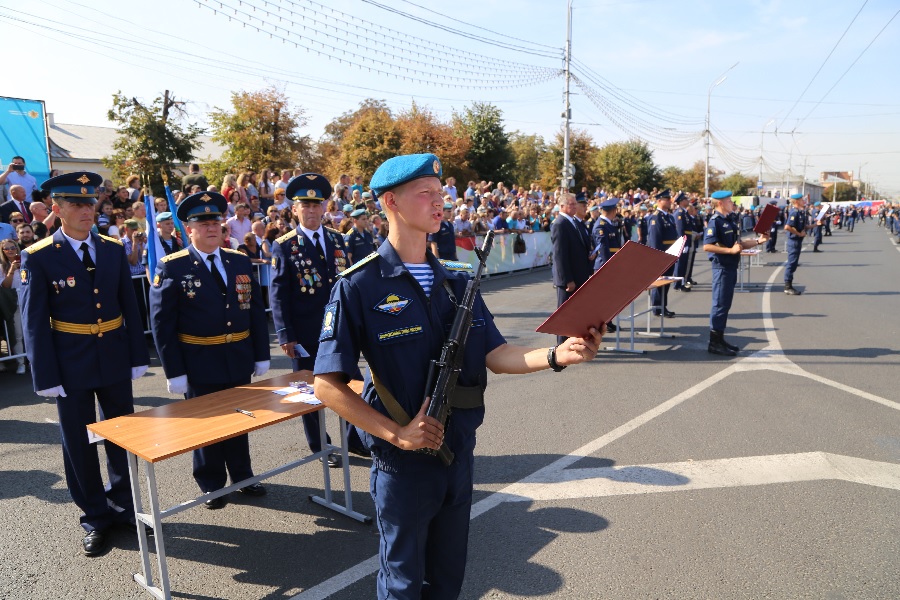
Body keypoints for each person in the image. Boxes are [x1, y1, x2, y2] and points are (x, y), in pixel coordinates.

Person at [313, 153, 603, 600]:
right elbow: (327, 385)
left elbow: (497, 353)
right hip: (403, 465)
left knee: (448, 580)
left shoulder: (458, 280)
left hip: (459, 454)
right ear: (391, 202)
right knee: (403, 585)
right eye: (425, 193)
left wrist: (557, 354)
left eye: (440, 192)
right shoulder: (360, 285)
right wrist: (397, 433)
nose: (439, 201)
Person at [18, 171, 150, 555]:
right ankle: (94, 515)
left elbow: (130, 304)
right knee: (78, 442)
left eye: (89, 202)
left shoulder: (110, 248)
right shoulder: (38, 256)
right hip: (68, 360)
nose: (85, 209)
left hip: (112, 354)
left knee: (122, 436)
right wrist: (44, 373)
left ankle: (125, 505)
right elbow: (33, 320)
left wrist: (137, 355)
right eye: (75, 203)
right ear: (56, 210)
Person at [149, 191, 270, 509]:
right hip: (199, 359)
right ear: (188, 229)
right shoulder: (172, 267)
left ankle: (243, 477)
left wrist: (261, 353)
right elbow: (163, 324)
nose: (211, 227)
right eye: (202, 223)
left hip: (238, 357)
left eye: (215, 221)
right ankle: (211, 484)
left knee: (240, 419)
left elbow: (255, 310)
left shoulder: (239, 260)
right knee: (207, 425)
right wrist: (174, 372)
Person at [269, 173, 361, 468]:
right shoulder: (284, 246)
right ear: (294, 209)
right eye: (304, 206)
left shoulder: (337, 239)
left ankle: (355, 439)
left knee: (350, 383)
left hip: (339, 328)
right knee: (310, 392)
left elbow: (348, 284)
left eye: (316, 205)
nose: (311, 211)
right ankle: (320, 446)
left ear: (324, 208)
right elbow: (279, 293)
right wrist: (285, 334)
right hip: (306, 332)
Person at [703, 191, 768, 356]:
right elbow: (707, 246)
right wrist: (729, 250)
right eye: (728, 200)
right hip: (722, 268)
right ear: (720, 203)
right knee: (719, 304)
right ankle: (714, 342)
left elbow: (739, 244)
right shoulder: (715, 222)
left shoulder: (729, 220)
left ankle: (720, 338)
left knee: (725, 305)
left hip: (731, 267)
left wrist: (758, 241)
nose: (731, 203)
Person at [550, 192, 593, 344]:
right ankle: (561, 346)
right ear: (561, 206)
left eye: (575, 204)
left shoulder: (573, 222)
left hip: (579, 275)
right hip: (570, 279)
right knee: (565, 313)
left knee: (576, 312)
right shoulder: (560, 224)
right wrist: (567, 279)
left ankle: (572, 342)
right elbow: (560, 256)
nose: (575, 206)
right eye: (571, 204)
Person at [646, 189, 678, 317]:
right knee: (659, 282)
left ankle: (663, 306)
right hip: (662, 255)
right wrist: (658, 258)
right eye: (666, 199)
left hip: (669, 254)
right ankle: (657, 307)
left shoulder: (668, 216)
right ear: (659, 201)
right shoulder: (656, 217)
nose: (670, 201)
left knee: (666, 282)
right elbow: (655, 240)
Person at [0, 238, 26, 374]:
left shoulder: (26, 262)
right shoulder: (1, 267)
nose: (10, 250)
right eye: (7, 248)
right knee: (18, 335)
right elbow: (5, 286)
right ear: (3, 251)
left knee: (32, 333)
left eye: (13, 248)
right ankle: (20, 363)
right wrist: (11, 270)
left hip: (28, 302)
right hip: (14, 305)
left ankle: (34, 362)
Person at [783, 192, 809, 296]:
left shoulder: (800, 212)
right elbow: (787, 227)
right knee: (791, 264)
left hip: (797, 241)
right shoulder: (794, 212)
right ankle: (787, 286)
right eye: (802, 200)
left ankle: (789, 285)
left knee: (793, 264)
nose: (804, 201)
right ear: (797, 201)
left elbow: (803, 227)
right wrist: (799, 234)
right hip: (793, 241)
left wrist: (816, 224)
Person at [671, 192, 691, 291]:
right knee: (680, 264)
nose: (688, 201)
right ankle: (677, 284)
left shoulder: (684, 212)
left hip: (686, 239)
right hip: (682, 241)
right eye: (686, 199)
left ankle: (681, 283)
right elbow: (680, 230)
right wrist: (684, 243)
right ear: (681, 201)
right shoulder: (679, 213)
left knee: (683, 264)